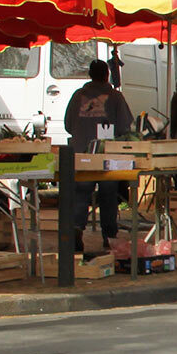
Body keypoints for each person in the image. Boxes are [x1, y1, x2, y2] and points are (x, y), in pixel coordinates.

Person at [64, 59, 132, 251]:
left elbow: (68, 125)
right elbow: (125, 127)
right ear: (107, 75)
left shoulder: (78, 96)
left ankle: (76, 230)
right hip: (106, 156)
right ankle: (109, 237)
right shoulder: (115, 97)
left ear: (90, 74)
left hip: (82, 155)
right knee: (108, 196)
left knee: (80, 195)